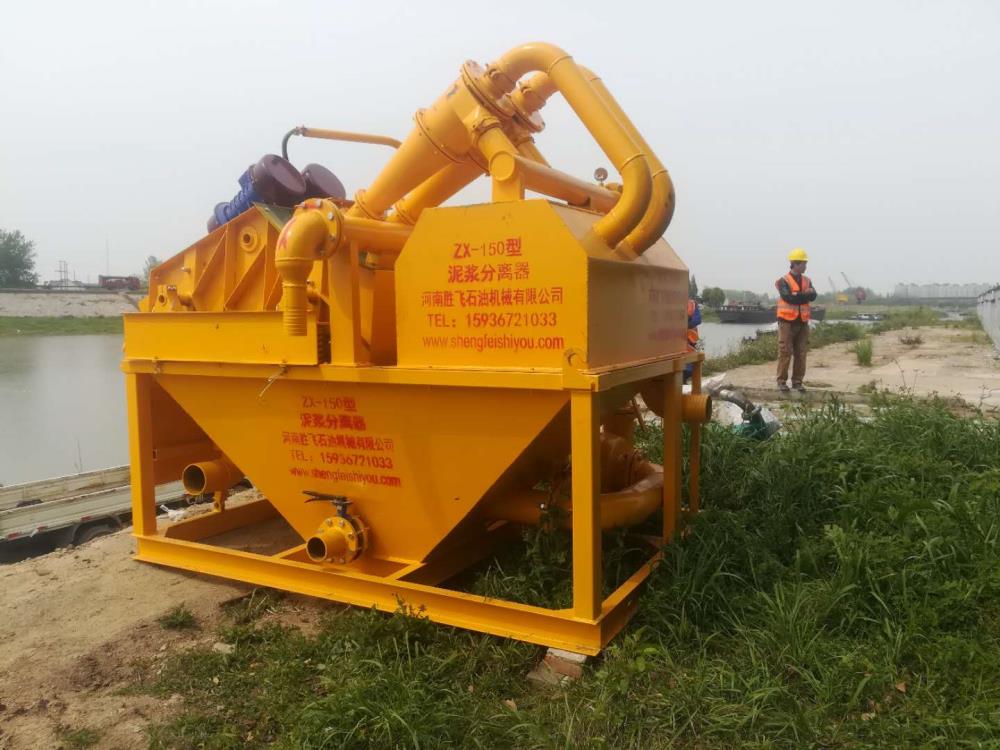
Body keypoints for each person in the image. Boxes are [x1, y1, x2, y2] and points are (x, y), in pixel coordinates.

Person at [775, 248, 817, 392]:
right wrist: (805, 294)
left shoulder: (807, 280)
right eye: (803, 263)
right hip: (786, 322)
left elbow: (813, 296)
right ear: (795, 264)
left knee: (801, 353)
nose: (805, 266)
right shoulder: (783, 281)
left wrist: (800, 295)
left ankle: (797, 382)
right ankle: (781, 382)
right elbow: (789, 298)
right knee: (785, 352)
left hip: (802, 322)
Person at [684, 297, 701, 381]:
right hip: (672, 343)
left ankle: (683, 381)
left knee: (689, 367)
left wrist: (686, 321)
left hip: (689, 341)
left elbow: (697, 320)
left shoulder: (692, 304)